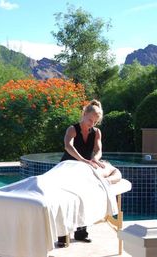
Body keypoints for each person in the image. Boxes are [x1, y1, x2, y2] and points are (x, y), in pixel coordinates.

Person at [58, 99, 105, 248]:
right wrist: (82, 159)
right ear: (84, 114)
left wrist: (95, 159)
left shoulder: (96, 132)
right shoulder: (72, 129)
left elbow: (98, 150)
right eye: (90, 119)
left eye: (95, 121)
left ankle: (81, 233)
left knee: (83, 200)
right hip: (67, 168)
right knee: (64, 201)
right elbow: (68, 146)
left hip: (83, 170)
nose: (92, 123)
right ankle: (62, 236)